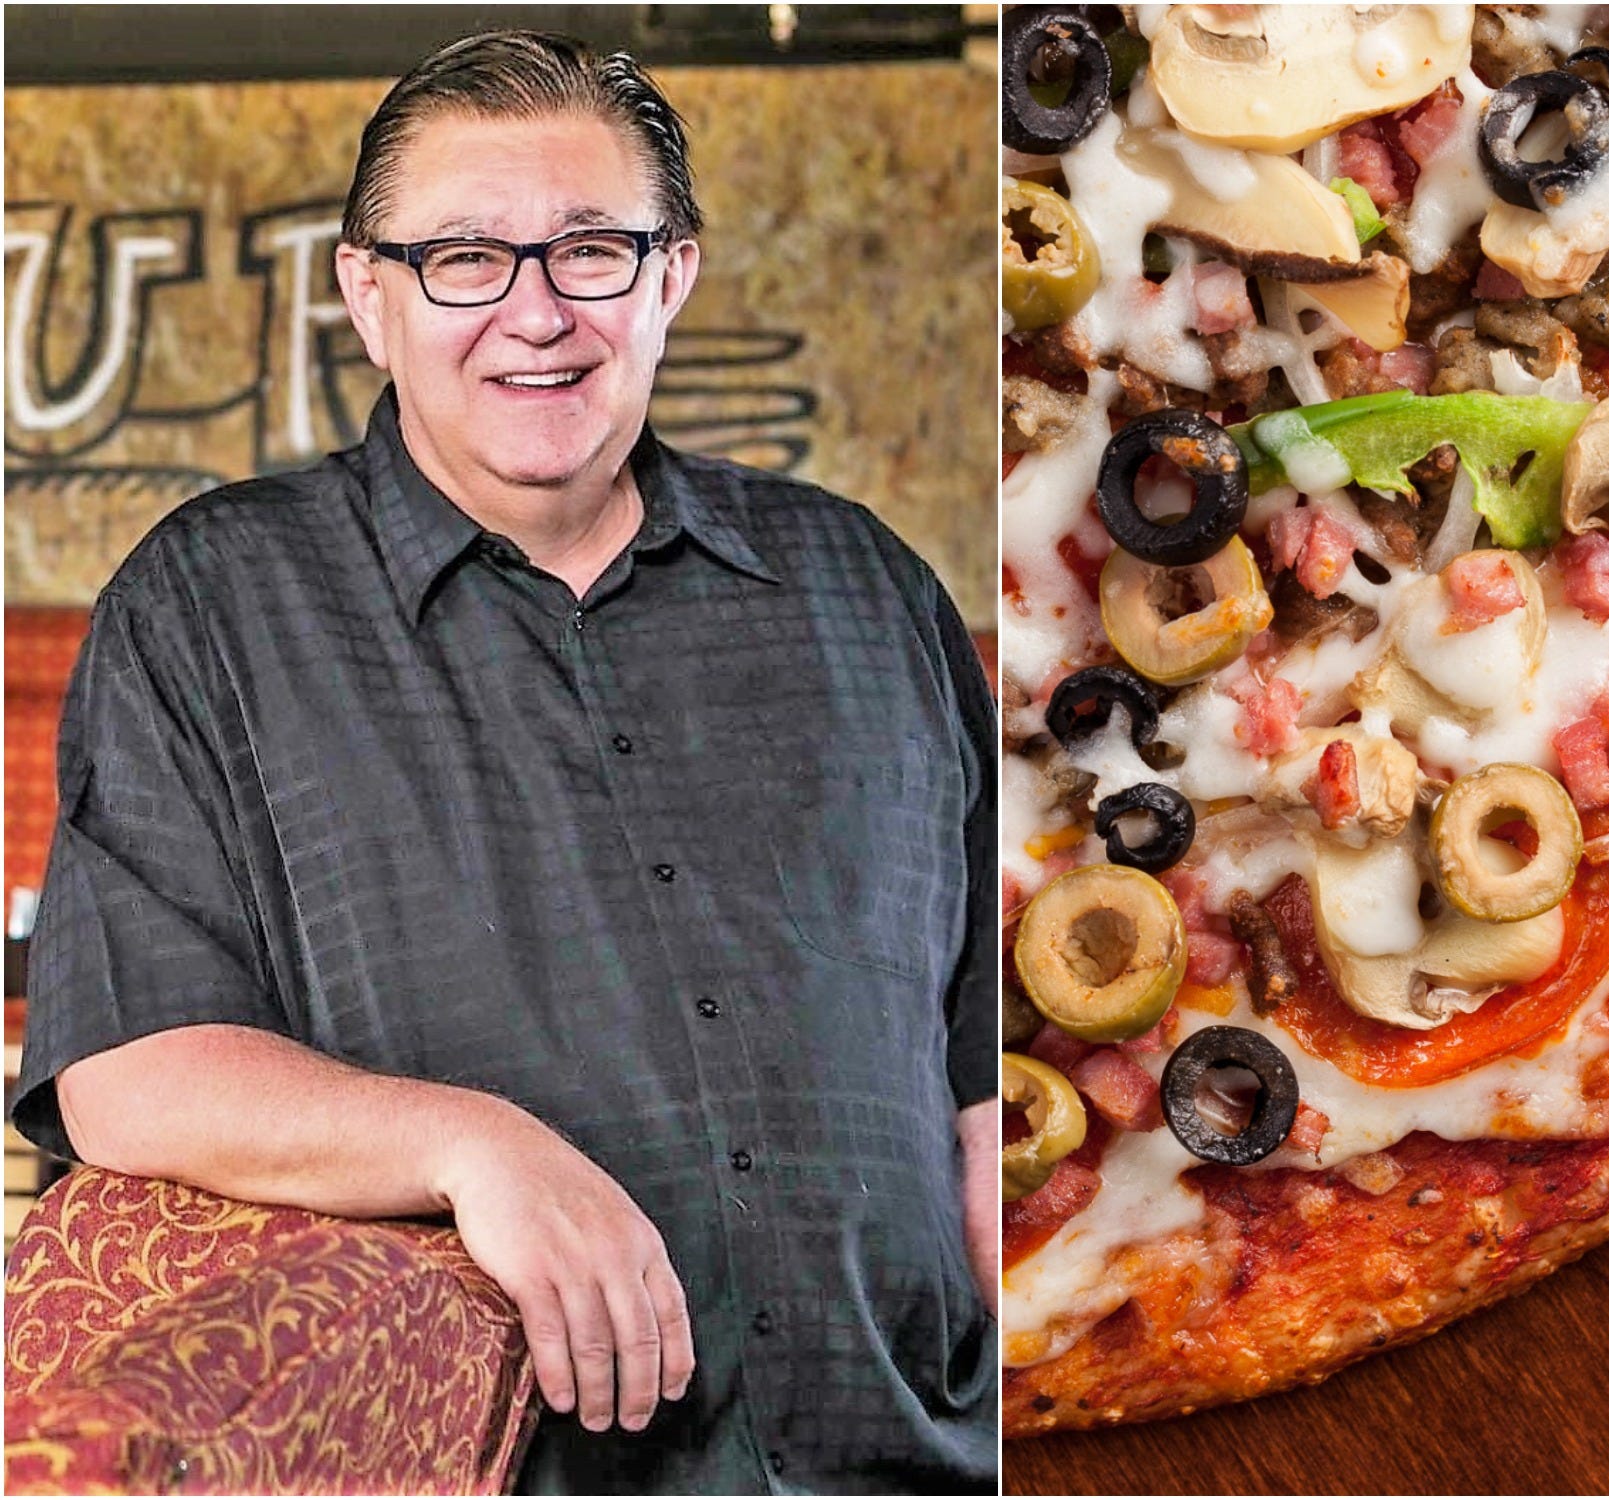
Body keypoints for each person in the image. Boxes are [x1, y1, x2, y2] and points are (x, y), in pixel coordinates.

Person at [11, 30, 997, 1496]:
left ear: (673, 275)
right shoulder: (212, 603)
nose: (537, 314)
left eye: (592, 249)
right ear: (370, 293)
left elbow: (985, 1083)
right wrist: (473, 1147)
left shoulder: (869, 587)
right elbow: (127, 1073)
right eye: (465, 256)